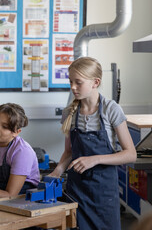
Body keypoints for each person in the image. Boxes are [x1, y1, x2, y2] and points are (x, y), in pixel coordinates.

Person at [48, 57, 137, 230]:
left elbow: (130, 153)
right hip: (77, 191)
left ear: (95, 82)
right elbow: (68, 152)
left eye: (78, 82)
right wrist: (57, 171)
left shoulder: (111, 109)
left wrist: (94, 159)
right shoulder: (70, 113)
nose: (72, 87)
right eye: (70, 81)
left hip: (104, 193)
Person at [0, 103, 40, 198]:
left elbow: (10, 195)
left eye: (4, 127)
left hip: (21, 199)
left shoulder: (22, 151)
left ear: (16, 132)